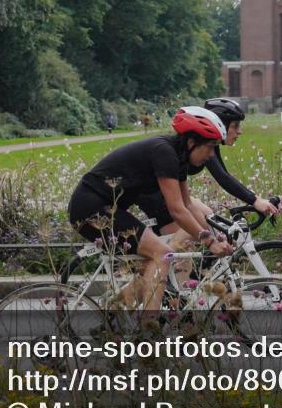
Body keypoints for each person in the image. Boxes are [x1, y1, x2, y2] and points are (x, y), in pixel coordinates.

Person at [68, 106, 233, 314]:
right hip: (91, 207)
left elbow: (188, 205)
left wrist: (216, 237)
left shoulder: (179, 158)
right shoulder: (164, 152)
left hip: (107, 208)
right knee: (162, 254)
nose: (211, 155)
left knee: (155, 262)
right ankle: (149, 331)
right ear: (192, 142)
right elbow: (176, 210)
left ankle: (116, 311)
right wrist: (208, 241)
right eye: (210, 147)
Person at [139, 98, 279, 227]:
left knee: (210, 218)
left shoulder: (210, 146)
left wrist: (256, 199)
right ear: (222, 125)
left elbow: (225, 174)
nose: (240, 131)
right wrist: (255, 201)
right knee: (195, 230)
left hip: (167, 192)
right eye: (235, 126)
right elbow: (222, 178)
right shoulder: (203, 145)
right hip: (151, 192)